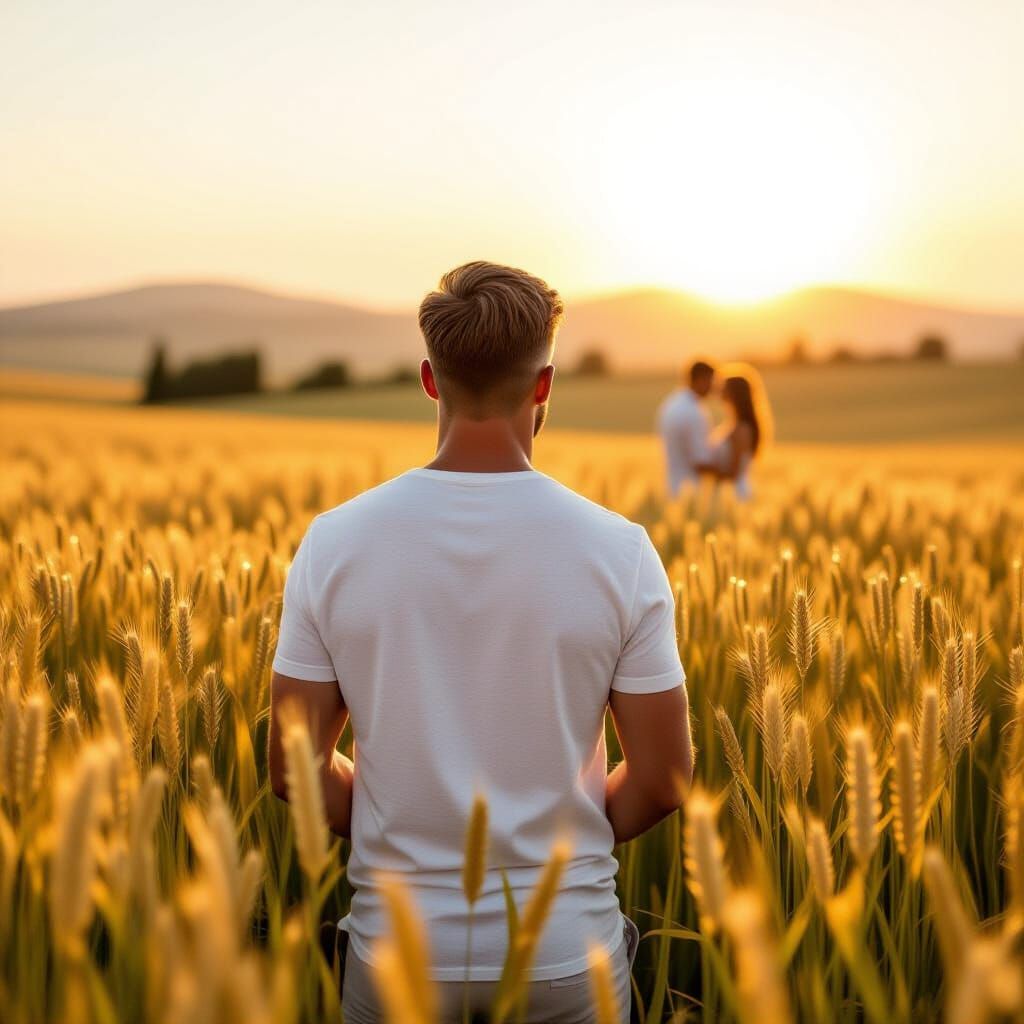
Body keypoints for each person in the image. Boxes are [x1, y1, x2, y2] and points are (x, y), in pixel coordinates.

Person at [267, 261, 694, 1024]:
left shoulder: (332, 544)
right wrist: (558, 846)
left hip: (397, 952)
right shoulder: (621, 552)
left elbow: (292, 768)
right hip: (571, 953)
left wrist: (399, 825)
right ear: (544, 385)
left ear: (430, 379)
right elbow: (663, 779)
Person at [706, 367, 772, 502]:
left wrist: (705, 470)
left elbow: (734, 472)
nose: (719, 391)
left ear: (734, 394)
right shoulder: (735, 425)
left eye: (724, 388)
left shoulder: (742, 429)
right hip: (728, 492)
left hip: (735, 495)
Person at [656, 360, 715, 495]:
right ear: (701, 379)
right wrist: (730, 472)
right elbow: (700, 460)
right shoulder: (694, 412)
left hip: (671, 485)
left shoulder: (670, 404)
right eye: (711, 381)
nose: (713, 387)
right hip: (691, 489)